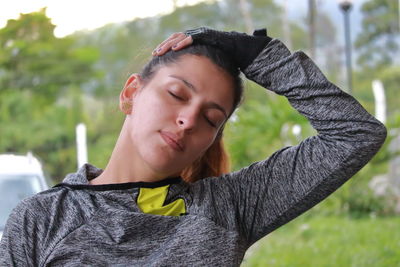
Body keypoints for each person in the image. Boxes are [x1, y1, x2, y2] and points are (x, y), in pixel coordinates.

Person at [0, 27, 387, 266]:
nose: (188, 120)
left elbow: (355, 134)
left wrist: (256, 53)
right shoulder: (43, 218)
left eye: (211, 119)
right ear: (131, 93)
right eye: (176, 94)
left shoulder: (228, 207)